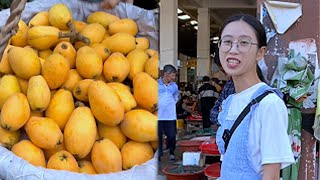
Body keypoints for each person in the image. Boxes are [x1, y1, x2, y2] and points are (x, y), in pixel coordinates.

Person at [215, 14, 295, 179]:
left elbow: (271, 176)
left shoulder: (269, 104)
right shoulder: (229, 102)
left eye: (244, 43)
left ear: (260, 53)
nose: (233, 49)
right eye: (227, 41)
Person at [158, 64, 179, 162]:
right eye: (173, 75)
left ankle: (171, 152)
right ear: (166, 74)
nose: (174, 77)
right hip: (158, 116)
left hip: (170, 116)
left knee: (171, 136)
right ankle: (159, 154)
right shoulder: (156, 84)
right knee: (158, 137)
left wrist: (170, 106)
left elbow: (176, 97)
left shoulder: (174, 86)